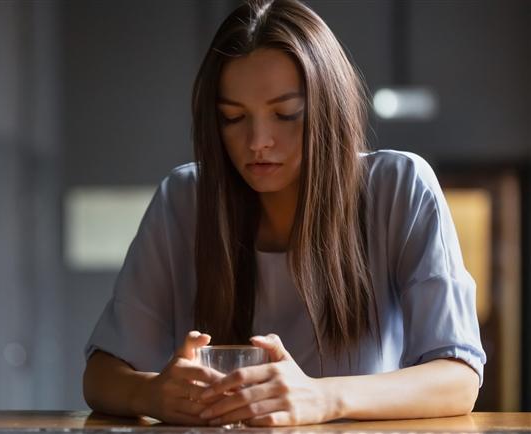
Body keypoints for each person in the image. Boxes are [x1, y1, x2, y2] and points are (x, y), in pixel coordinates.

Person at [82, 0, 486, 426]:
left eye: (285, 114)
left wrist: (322, 397)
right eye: (233, 118)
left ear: (327, 110)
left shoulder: (399, 186)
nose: (258, 141)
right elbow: (101, 376)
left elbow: (458, 377)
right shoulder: (185, 198)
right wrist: (151, 392)